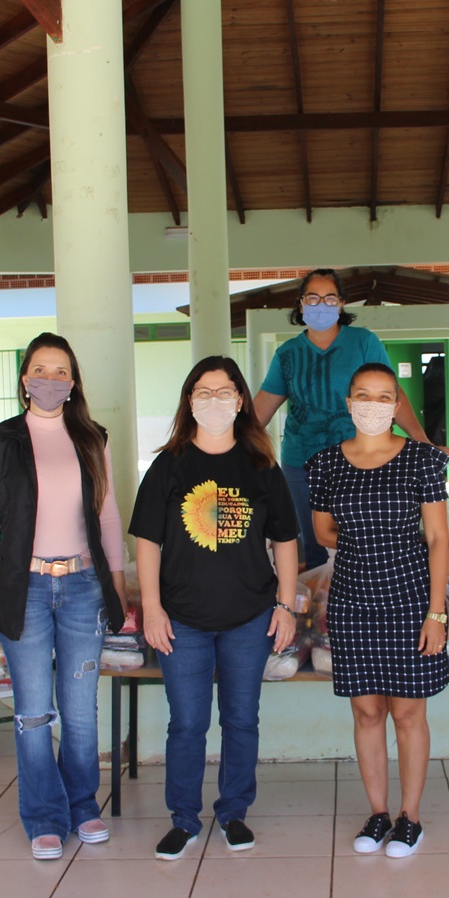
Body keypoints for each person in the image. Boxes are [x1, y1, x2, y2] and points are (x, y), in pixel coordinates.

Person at [130, 357, 301, 861]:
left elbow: (285, 540)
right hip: (181, 620)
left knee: (241, 719)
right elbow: (147, 542)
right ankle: (183, 818)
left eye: (224, 392)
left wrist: (285, 605)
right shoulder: (168, 466)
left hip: (250, 617)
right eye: (202, 392)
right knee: (186, 723)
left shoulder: (261, 465)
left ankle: (233, 812)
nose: (214, 401)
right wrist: (152, 609)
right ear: (189, 401)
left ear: (241, 400)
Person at [0, 332, 127, 861]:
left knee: (80, 710)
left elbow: (108, 515)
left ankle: (82, 805)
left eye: (61, 371)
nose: (50, 380)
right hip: (24, 589)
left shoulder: (92, 438)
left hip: (83, 586)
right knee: (34, 711)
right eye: (41, 369)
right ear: (24, 379)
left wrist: (117, 582)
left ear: (73, 381)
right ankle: (44, 815)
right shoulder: (0, 441)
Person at [309, 363, 449, 858]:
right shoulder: (326, 463)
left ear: (396, 405)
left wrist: (437, 613)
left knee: (407, 713)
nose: (373, 404)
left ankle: (410, 817)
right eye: (363, 395)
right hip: (352, 600)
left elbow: (438, 538)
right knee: (367, 711)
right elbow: (323, 531)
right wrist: (368, 542)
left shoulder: (422, 459)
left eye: (384, 396)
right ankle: (378, 813)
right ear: (349, 403)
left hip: (411, 600)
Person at [255, 268, 449, 571]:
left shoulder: (363, 341)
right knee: (316, 545)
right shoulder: (287, 354)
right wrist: (223, 448)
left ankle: (373, 589)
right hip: (302, 463)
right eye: (313, 298)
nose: (321, 305)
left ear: (342, 303)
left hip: (361, 458)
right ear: (301, 303)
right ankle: (325, 600)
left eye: (330, 298)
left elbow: (392, 393)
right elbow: (260, 411)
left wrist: (422, 441)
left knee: (364, 537)